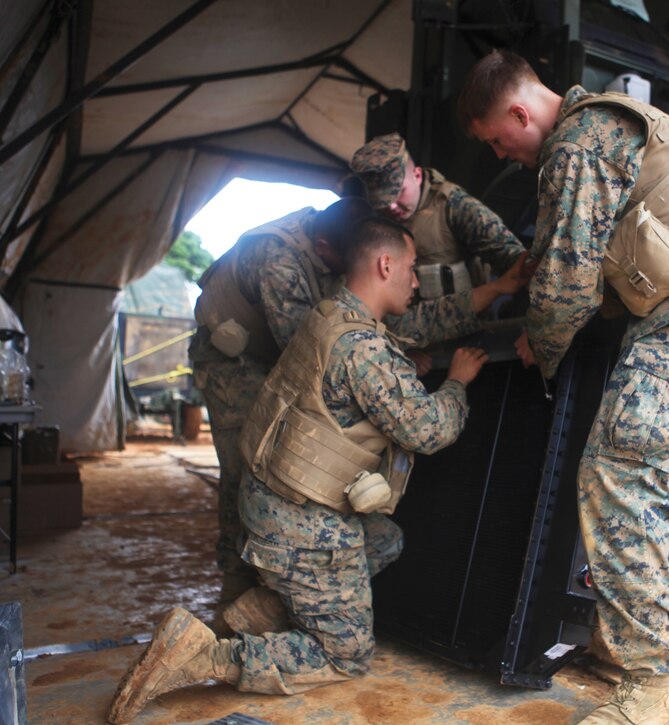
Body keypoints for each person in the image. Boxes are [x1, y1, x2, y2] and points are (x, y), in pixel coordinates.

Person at [458, 51, 669, 724]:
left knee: (620, 475)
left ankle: (655, 688)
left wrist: (540, 344)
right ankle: (634, 644)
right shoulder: (601, 126)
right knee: (630, 474)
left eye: (496, 139)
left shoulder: (578, 141)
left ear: (518, 113)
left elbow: (568, 283)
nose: (503, 154)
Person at [109, 218, 505, 723]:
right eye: (411, 269)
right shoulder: (362, 349)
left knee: (384, 540)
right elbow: (428, 431)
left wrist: (409, 362)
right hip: (301, 522)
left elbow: (369, 372)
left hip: (275, 502)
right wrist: (457, 383)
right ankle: (199, 655)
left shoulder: (330, 314)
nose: (415, 281)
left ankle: (253, 613)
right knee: (347, 654)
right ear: (386, 265)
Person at [192, 196, 530, 611]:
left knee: (376, 537)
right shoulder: (280, 263)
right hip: (237, 365)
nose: (416, 280)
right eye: (411, 269)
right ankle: (239, 590)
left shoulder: (341, 304)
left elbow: (397, 325)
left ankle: (276, 599)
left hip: (292, 476)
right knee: (248, 463)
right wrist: (437, 377)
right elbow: (415, 420)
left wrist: (493, 290)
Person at [350, 132, 526, 300]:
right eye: (383, 201)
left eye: (399, 193)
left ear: (417, 175)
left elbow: (516, 261)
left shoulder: (454, 205)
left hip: (463, 325)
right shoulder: (372, 218)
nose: (392, 206)